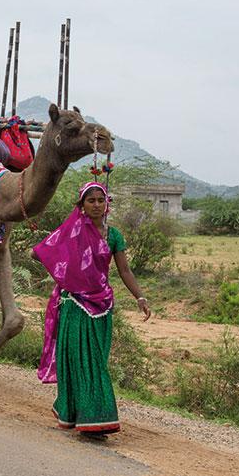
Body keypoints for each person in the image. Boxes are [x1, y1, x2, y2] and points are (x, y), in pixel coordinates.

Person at [33, 182, 151, 438]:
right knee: (80, 363)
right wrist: (65, 269)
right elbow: (41, 252)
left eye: (101, 200)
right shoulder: (73, 231)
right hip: (74, 304)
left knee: (96, 360)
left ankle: (84, 415)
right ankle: (95, 420)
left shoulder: (114, 235)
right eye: (91, 201)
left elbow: (124, 270)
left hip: (102, 305)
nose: (97, 205)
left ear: (106, 203)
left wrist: (139, 297)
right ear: (82, 205)